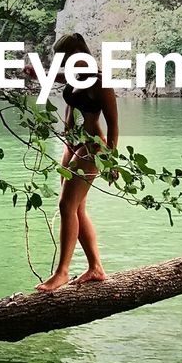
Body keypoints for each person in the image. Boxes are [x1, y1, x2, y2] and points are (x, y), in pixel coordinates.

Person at [36, 32, 119, 292]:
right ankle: (96, 268)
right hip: (73, 144)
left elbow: (114, 125)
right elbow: (62, 81)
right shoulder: (75, 75)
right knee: (76, 207)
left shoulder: (100, 82)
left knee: (66, 204)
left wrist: (112, 162)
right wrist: (36, 73)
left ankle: (62, 272)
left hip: (94, 146)